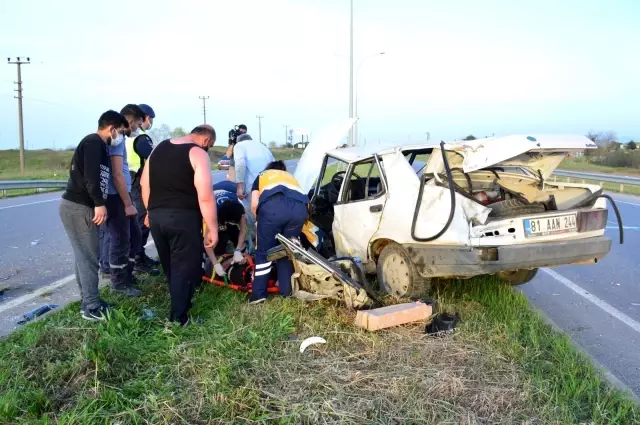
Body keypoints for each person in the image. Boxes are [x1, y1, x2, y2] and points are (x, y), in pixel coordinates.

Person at [141, 125, 218, 326]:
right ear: (206, 141)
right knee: (184, 267)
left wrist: (149, 211)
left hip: (157, 217)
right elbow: (206, 196)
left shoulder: (158, 148)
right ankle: (178, 319)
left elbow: (144, 183)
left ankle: (181, 303)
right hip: (183, 218)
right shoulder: (197, 153)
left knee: (170, 265)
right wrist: (212, 227)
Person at [60, 110, 127, 321]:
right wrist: (99, 204)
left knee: (84, 256)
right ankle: (92, 306)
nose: (121, 136)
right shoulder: (93, 142)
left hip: (78, 206)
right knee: (89, 257)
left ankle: (88, 301)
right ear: (112, 128)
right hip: (80, 206)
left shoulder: (101, 146)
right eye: (121, 131)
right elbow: (91, 176)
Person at [249, 160, 308, 304]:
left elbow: (254, 204)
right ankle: (286, 291)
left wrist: (260, 222)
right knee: (285, 250)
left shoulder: (262, 176)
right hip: (300, 211)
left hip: (273, 209)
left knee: (264, 252)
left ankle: (259, 295)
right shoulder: (290, 177)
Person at [103, 104, 147, 297]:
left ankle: (127, 276)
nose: (137, 128)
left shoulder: (120, 140)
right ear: (129, 122)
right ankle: (119, 282)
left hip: (122, 195)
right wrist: (128, 202)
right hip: (116, 197)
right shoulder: (117, 140)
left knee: (134, 236)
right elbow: (117, 174)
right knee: (120, 239)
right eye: (137, 124)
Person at [126, 103, 160, 272]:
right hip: (139, 183)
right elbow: (154, 160)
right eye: (150, 119)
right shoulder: (141, 138)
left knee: (134, 223)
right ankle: (138, 259)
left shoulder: (126, 137)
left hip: (129, 182)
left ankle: (137, 256)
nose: (150, 123)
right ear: (145, 118)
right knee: (142, 221)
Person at [233, 133, 275, 253]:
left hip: (253, 188)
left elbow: (240, 164)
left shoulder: (239, 146)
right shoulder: (262, 146)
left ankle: (255, 251)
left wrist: (239, 187)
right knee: (268, 219)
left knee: (253, 221)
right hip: (270, 186)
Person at [205, 180, 248, 277]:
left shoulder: (239, 207)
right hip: (213, 190)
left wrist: (238, 250)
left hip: (230, 187)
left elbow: (243, 231)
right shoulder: (213, 212)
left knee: (235, 234)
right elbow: (207, 243)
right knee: (216, 235)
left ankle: (237, 249)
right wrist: (215, 263)